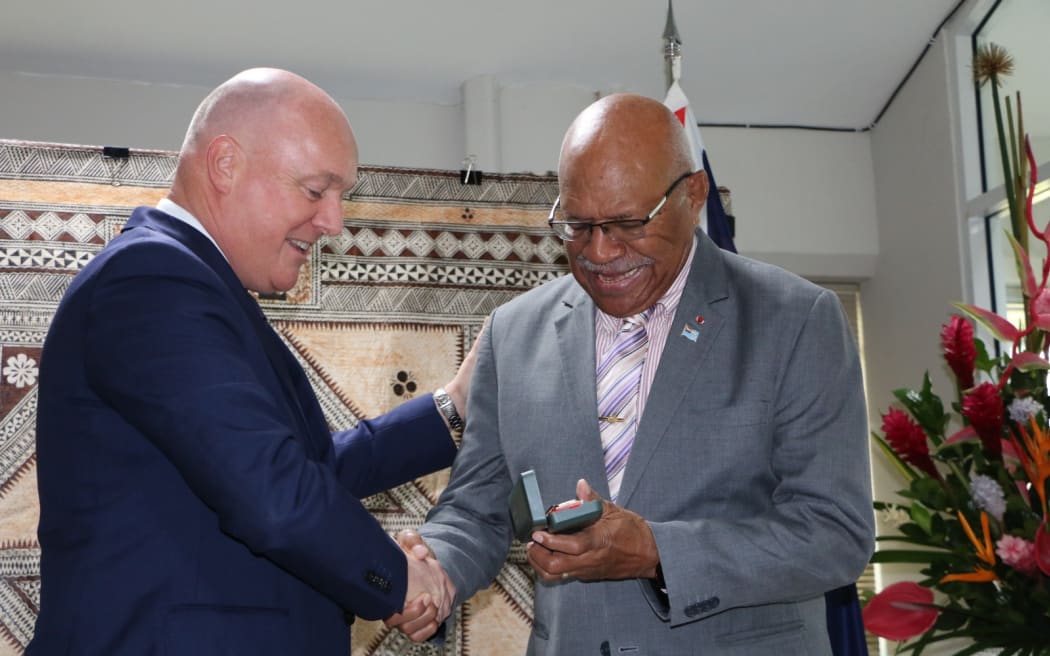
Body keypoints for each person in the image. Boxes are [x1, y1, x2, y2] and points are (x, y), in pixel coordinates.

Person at [388, 93, 875, 654]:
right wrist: (436, 574)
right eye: (578, 225)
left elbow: (835, 534)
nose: (600, 251)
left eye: (626, 223)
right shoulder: (513, 332)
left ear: (693, 196)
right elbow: (476, 509)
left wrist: (656, 550)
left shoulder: (793, 319)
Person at [27, 68, 470, 655]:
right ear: (226, 164)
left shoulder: (198, 289)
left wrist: (453, 409)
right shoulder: (151, 281)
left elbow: (298, 475)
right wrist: (399, 577)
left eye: (341, 198)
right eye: (316, 191)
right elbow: (273, 492)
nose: (333, 222)